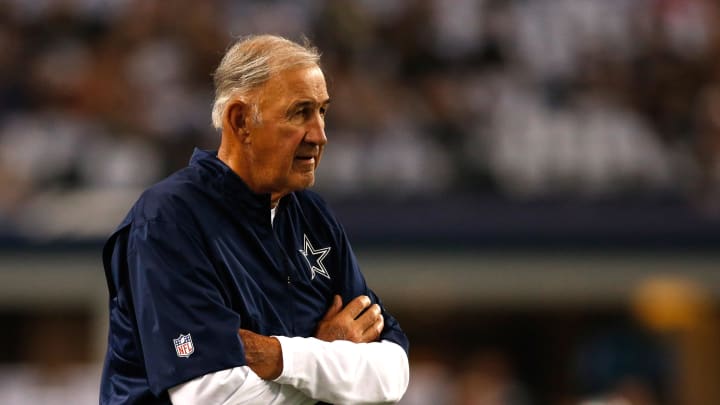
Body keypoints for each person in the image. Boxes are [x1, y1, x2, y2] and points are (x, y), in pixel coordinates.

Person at [99, 34, 410, 404]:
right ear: (240, 119)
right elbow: (210, 397)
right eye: (300, 112)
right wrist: (330, 359)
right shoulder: (169, 219)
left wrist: (283, 357)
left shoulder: (314, 216)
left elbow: (393, 372)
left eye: (322, 111)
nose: (320, 135)